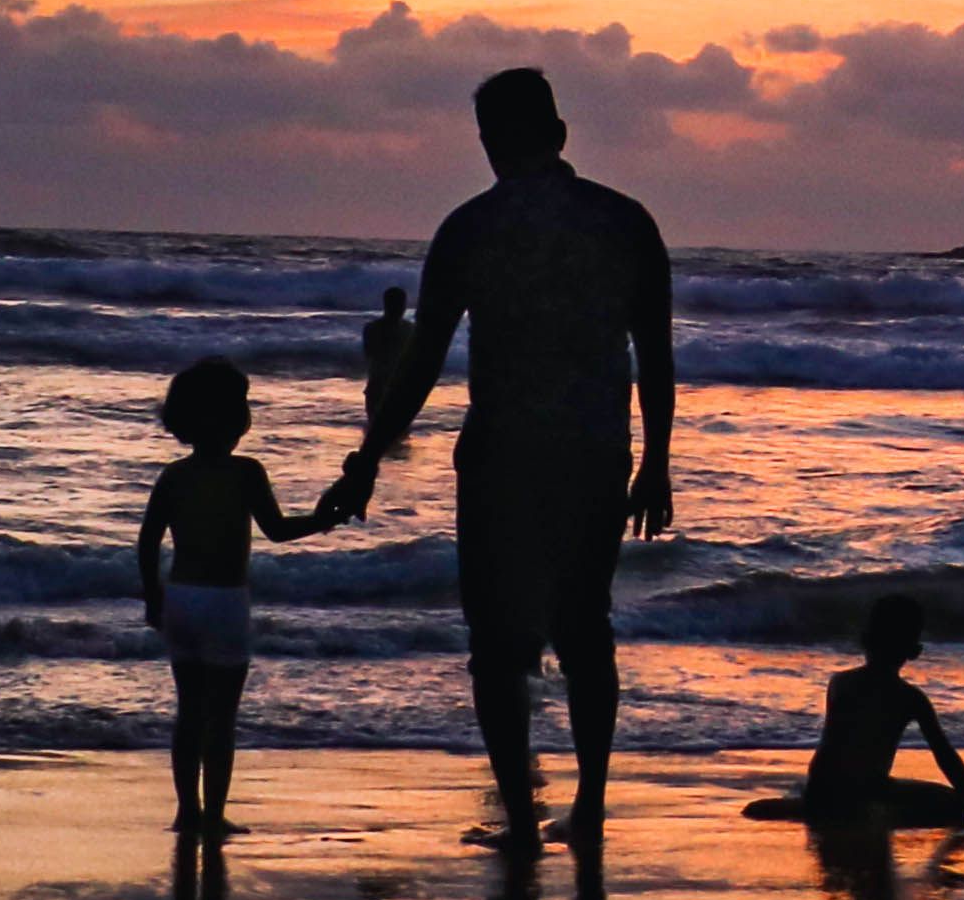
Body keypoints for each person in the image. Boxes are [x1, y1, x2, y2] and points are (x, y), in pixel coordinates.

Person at [335, 67, 676, 851]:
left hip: (501, 459)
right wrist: (655, 461)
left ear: (490, 143)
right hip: (596, 452)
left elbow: (420, 364)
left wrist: (367, 457)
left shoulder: (470, 228)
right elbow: (654, 356)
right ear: (559, 136)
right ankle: (586, 809)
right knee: (586, 628)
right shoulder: (625, 222)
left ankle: (522, 823)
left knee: (497, 644)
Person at [131, 352, 343, 842]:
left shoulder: (174, 475)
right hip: (226, 602)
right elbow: (278, 531)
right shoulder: (246, 472)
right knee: (221, 718)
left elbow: (147, 539)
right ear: (228, 418)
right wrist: (325, 519)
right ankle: (214, 814)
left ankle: (187, 811)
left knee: (189, 711)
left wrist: (151, 595)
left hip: (181, 597)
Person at [745, 594, 964, 829]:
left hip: (822, 788)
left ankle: (829, 809)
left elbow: (832, 752)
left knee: (772, 807)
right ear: (914, 652)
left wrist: (817, 794)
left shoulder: (840, 683)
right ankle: (868, 814)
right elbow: (945, 756)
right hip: (867, 790)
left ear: (865, 640)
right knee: (955, 804)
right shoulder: (911, 698)